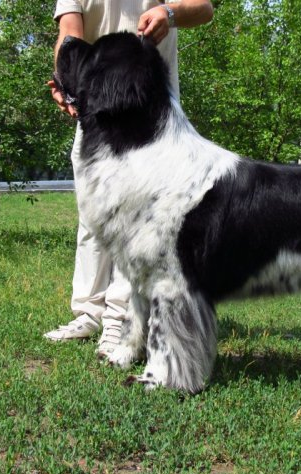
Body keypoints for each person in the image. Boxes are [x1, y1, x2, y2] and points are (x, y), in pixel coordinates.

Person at [44, 0, 214, 357]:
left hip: (148, 118)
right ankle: (89, 312)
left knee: (135, 224)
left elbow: (204, 8)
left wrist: (169, 14)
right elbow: (69, 34)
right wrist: (64, 78)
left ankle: (121, 321)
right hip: (97, 111)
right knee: (93, 219)